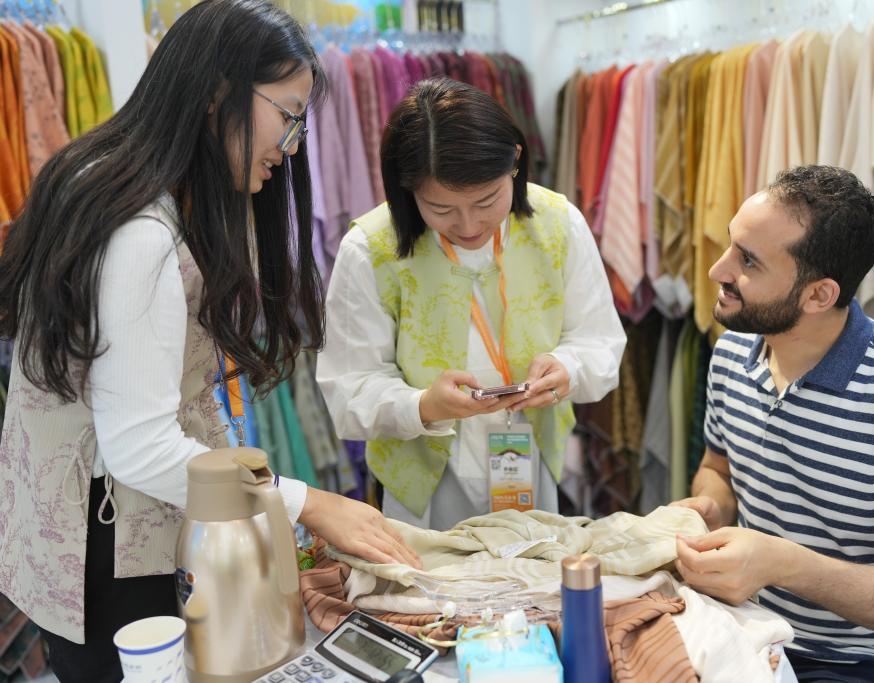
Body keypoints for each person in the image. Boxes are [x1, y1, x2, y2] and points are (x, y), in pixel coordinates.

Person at [0, 2, 417, 681]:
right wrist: (308, 502)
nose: (292, 148)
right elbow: (138, 443)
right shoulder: (140, 234)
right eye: (287, 115)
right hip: (110, 548)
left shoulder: (127, 185)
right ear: (219, 91)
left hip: (93, 533)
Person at [672, 165, 874, 682]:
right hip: (752, 634)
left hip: (873, 664)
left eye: (748, 262)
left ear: (818, 296)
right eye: (731, 245)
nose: (717, 270)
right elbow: (717, 469)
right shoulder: (732, 351)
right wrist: (709, 506)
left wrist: (781, 563)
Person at [317, 77, 626, 530]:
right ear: (408, 189)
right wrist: (422, 405)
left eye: (487, 200)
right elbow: (349, 387)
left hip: (530, 457)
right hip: (422, 482)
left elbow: (599, 341)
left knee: (532, 585)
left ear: (515, 163)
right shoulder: (371, 248)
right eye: (440, 208)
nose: (467, 225)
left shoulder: (557, 223)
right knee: (433, 594)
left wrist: (568, 369)